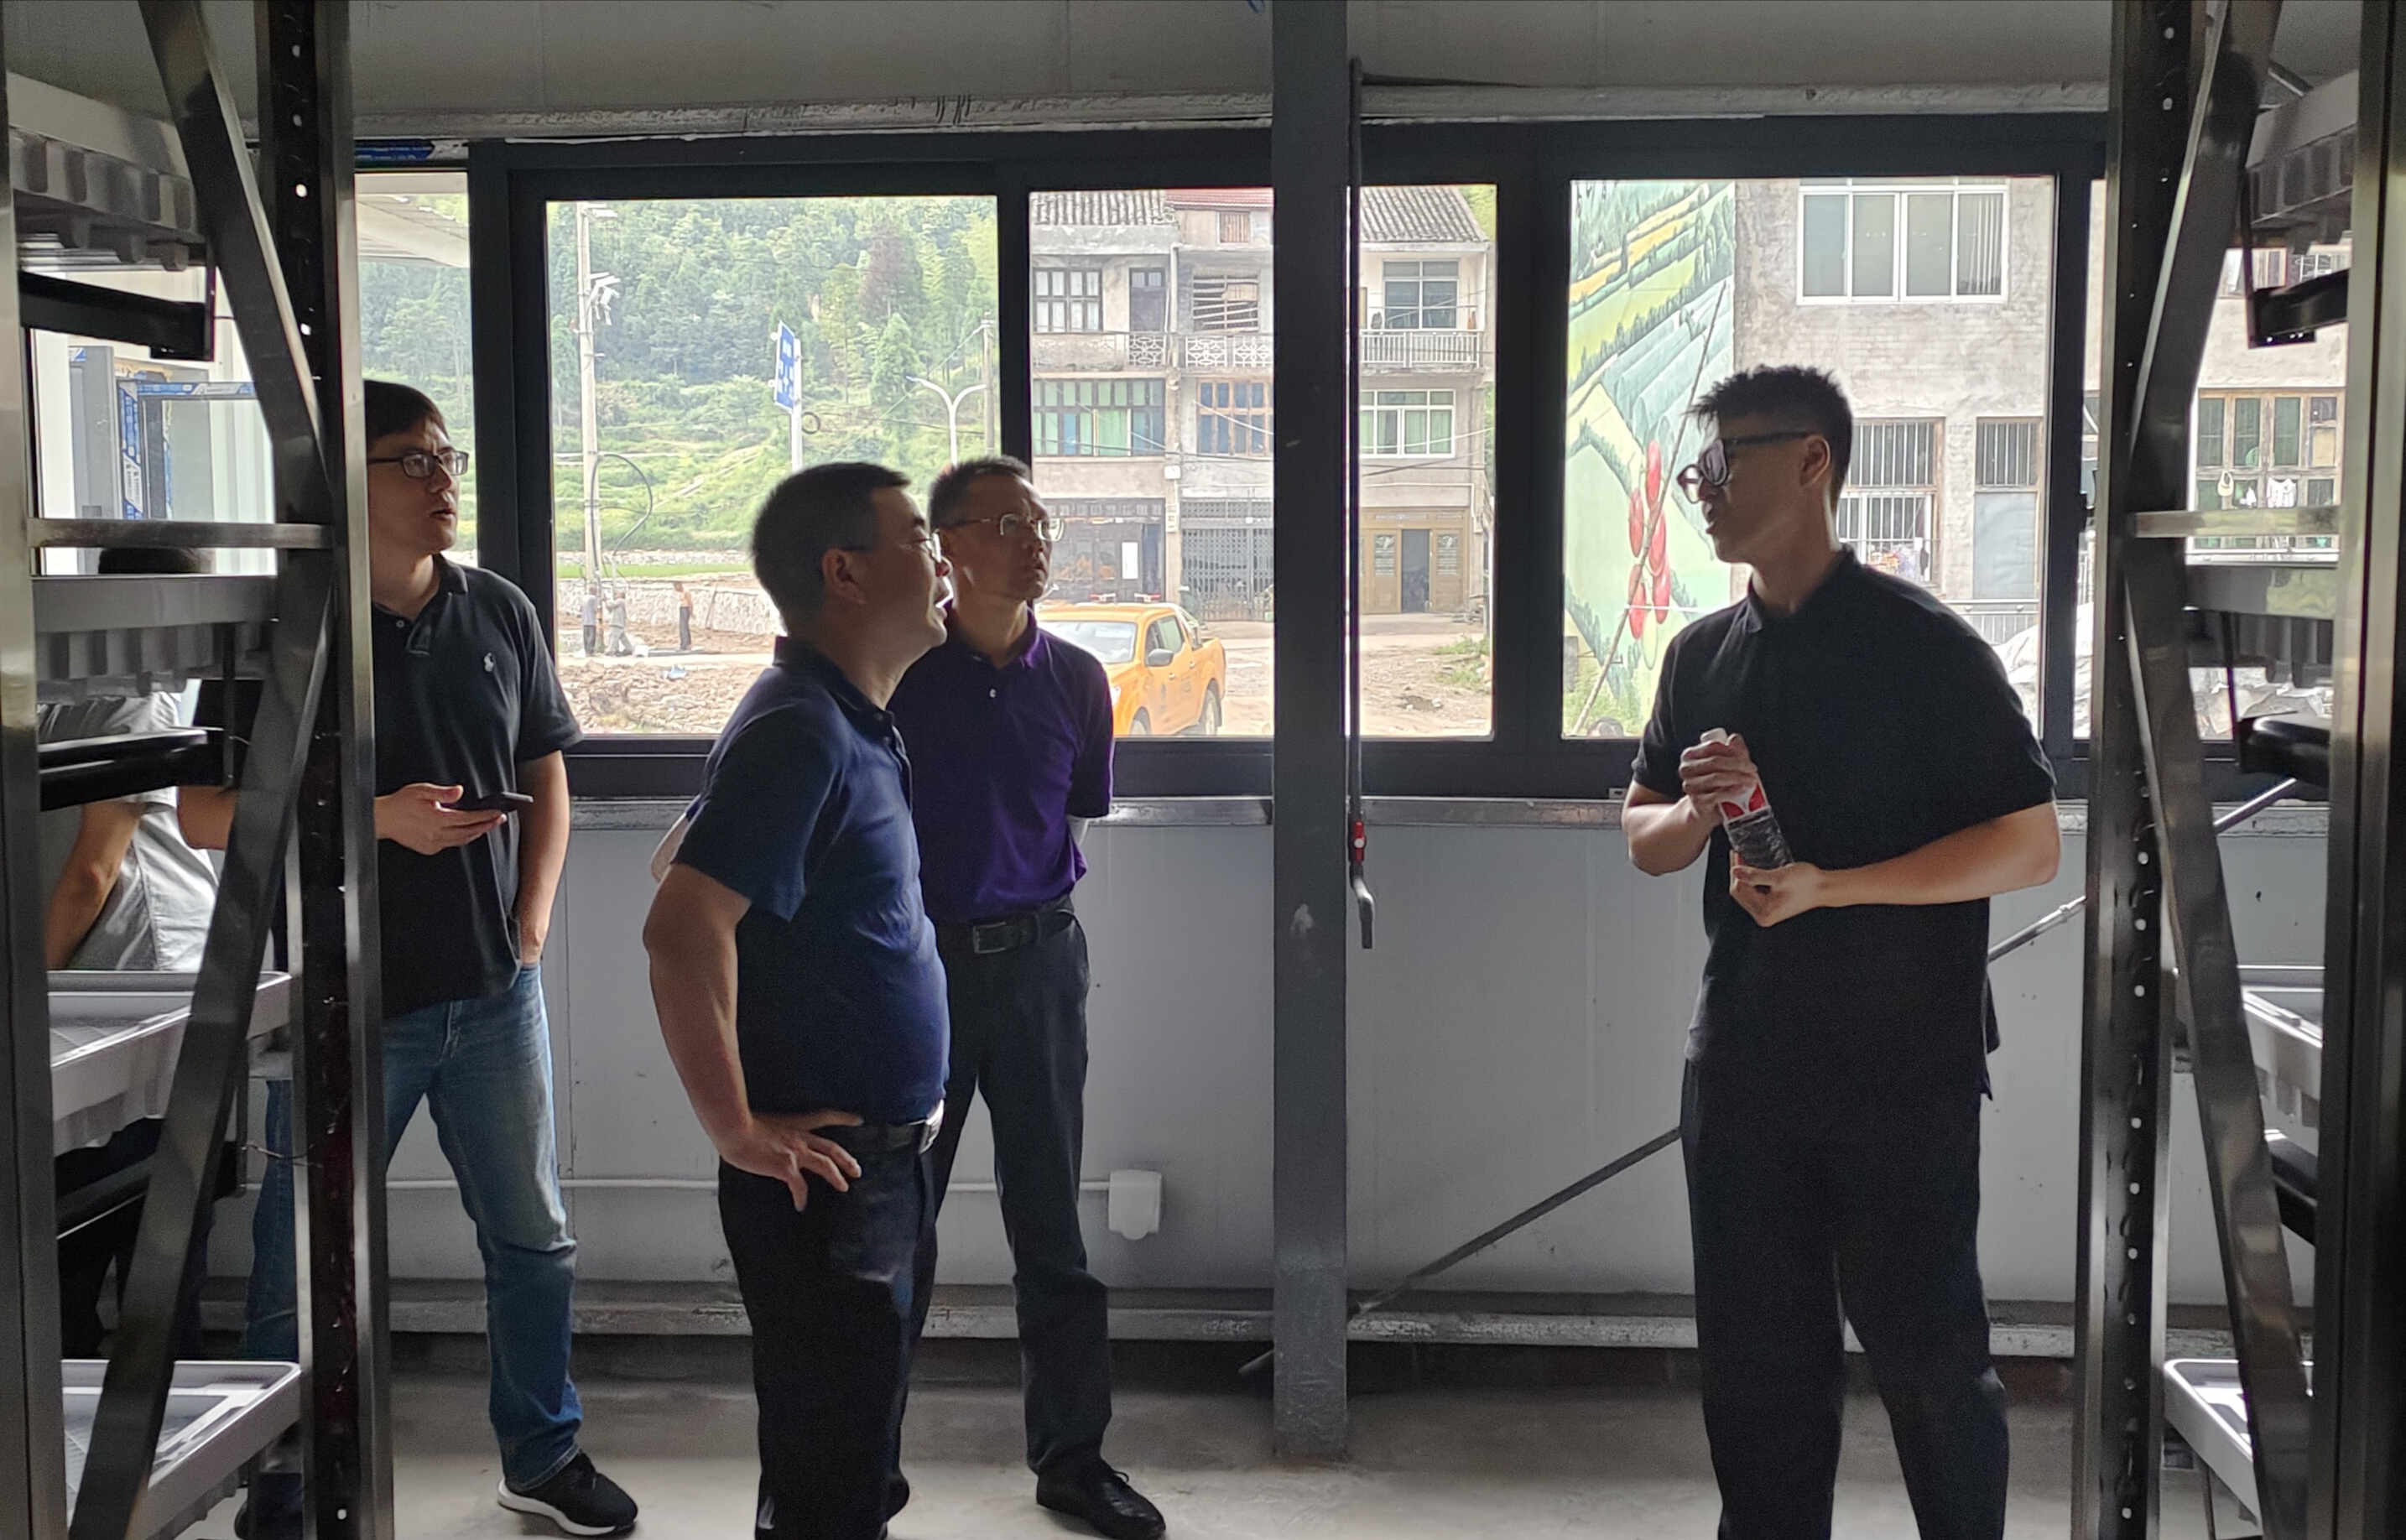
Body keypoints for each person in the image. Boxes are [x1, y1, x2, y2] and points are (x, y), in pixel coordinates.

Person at [190, 381, 633, 1539]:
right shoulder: (283, 628)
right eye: (413, 459)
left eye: (449, 457)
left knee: (532, 1237)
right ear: (348, 480)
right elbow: (201, 814)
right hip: (340, 996)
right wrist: (375, 820)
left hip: (493, 995)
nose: (443, 479)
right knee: (300, 1253)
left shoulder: (499, 611)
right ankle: (282, 1477)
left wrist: (531, 925)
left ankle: (543, 1453)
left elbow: (546, 774)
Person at [1622, 366, 2058, 1540]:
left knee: (1930, 1362)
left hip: (1899, 1069)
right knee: (1758, 1375)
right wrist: (1702, 810)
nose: (1703, 487)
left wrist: (1835, 886)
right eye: (1699, 467)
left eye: (1726, 462)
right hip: (1744, 1063)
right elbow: (1644, 836)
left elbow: (2029, 845)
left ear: (1812, 461)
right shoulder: (1700, 654)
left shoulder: (1926, 648)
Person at [642, 462, 952, 1540]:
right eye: (919, 538)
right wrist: (735, 1129)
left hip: (877, 1168)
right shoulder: (803, 727)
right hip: (828, 1181)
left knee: (853, 1456)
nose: (942, 561)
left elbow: (681, 853)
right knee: (832, 1472)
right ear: (844, 572)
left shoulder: (839, 716)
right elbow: (680, 926)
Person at [887, 457, 1162, 1540]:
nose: (1034, 539)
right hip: (919, 974)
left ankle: (1073, 1463)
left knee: (1052, 1231)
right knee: (895, 1231)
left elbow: (1073, 822)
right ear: (948, 546)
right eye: (1006, 522)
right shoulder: (899, 676)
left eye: (1040, 521)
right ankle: (858, 1467)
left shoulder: (1080, 680)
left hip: (1043, 967)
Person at [40, 544, 224, 1360]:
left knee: (91, 1196)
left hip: (111, 969)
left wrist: (33, 982)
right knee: (152, 1210)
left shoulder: (72, 692)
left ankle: (92, 1385)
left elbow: (81, 868)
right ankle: (148, 1386)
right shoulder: (139, 699)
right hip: (140, 964)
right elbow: (93, 870)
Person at [675, 580, 695, 653]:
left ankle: (685, 644)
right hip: (682, 609)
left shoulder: (686, 592)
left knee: (684, 627)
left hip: (685, 609)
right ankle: (684, 643)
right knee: (682, 627)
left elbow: (690, 603)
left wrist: (691, 612)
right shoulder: (681, 592)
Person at [581, 587, 600, 658]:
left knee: (586, 636)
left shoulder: (584, 598)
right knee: (592, 637)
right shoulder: (594, 598)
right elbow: (595, 609)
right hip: (592, 620)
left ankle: (586, 651)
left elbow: (580, 608)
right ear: (593, 591)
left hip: (584, 620)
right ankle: (590, 651)